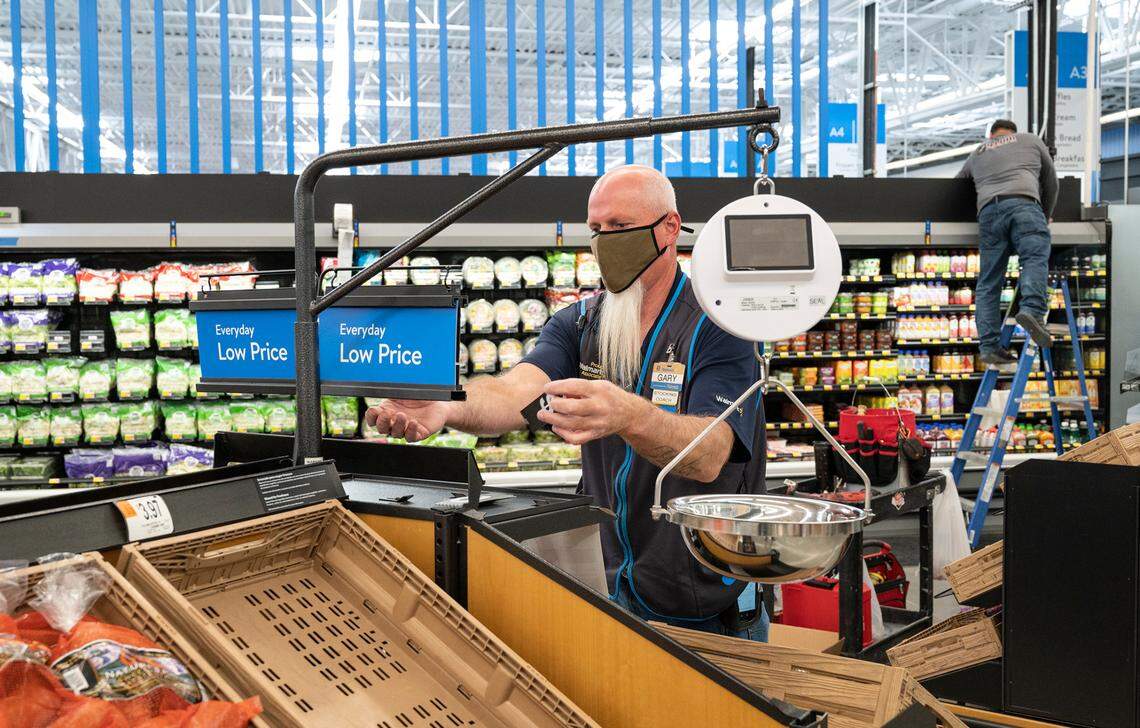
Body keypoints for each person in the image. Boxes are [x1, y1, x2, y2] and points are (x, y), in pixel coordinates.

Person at [365, 165, 769, 640]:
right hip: (608, 594)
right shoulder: (580, 322)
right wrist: (447, 406)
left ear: (669, 228)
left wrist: (630, 415)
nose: (604, 241)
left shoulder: (718, 326)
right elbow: (514, 390)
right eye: (596, 230)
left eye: (620, 227)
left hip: (705, 608)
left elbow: (711, 455)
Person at [957, 119, 1058, 365]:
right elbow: (1051, 183)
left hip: (989, 213)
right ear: (1013, 132)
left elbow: (957, 186)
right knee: (1033, 257)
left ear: (991, 135)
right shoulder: (1030, 139)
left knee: (989, 281)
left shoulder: (977, 152)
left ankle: (989, 346)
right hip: (1024, 203)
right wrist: (1044, 216)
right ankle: (1032, 311)